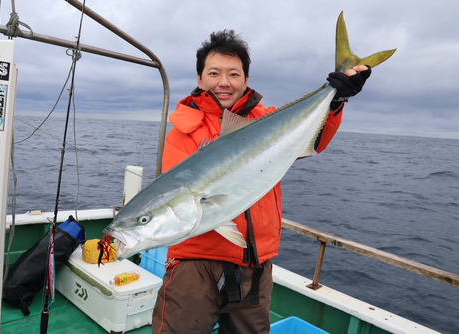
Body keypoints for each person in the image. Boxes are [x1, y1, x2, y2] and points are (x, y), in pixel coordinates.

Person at [151, 30, 371, 334]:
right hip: (195, 267)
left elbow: (314, 140)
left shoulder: (266, 119)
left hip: (255, 265)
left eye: (233, 74)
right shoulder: (183, 131)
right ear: (200, 79)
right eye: (214, 73)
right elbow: (179, 199)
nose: (224, 82)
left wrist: (337, 98)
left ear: (246, 78)